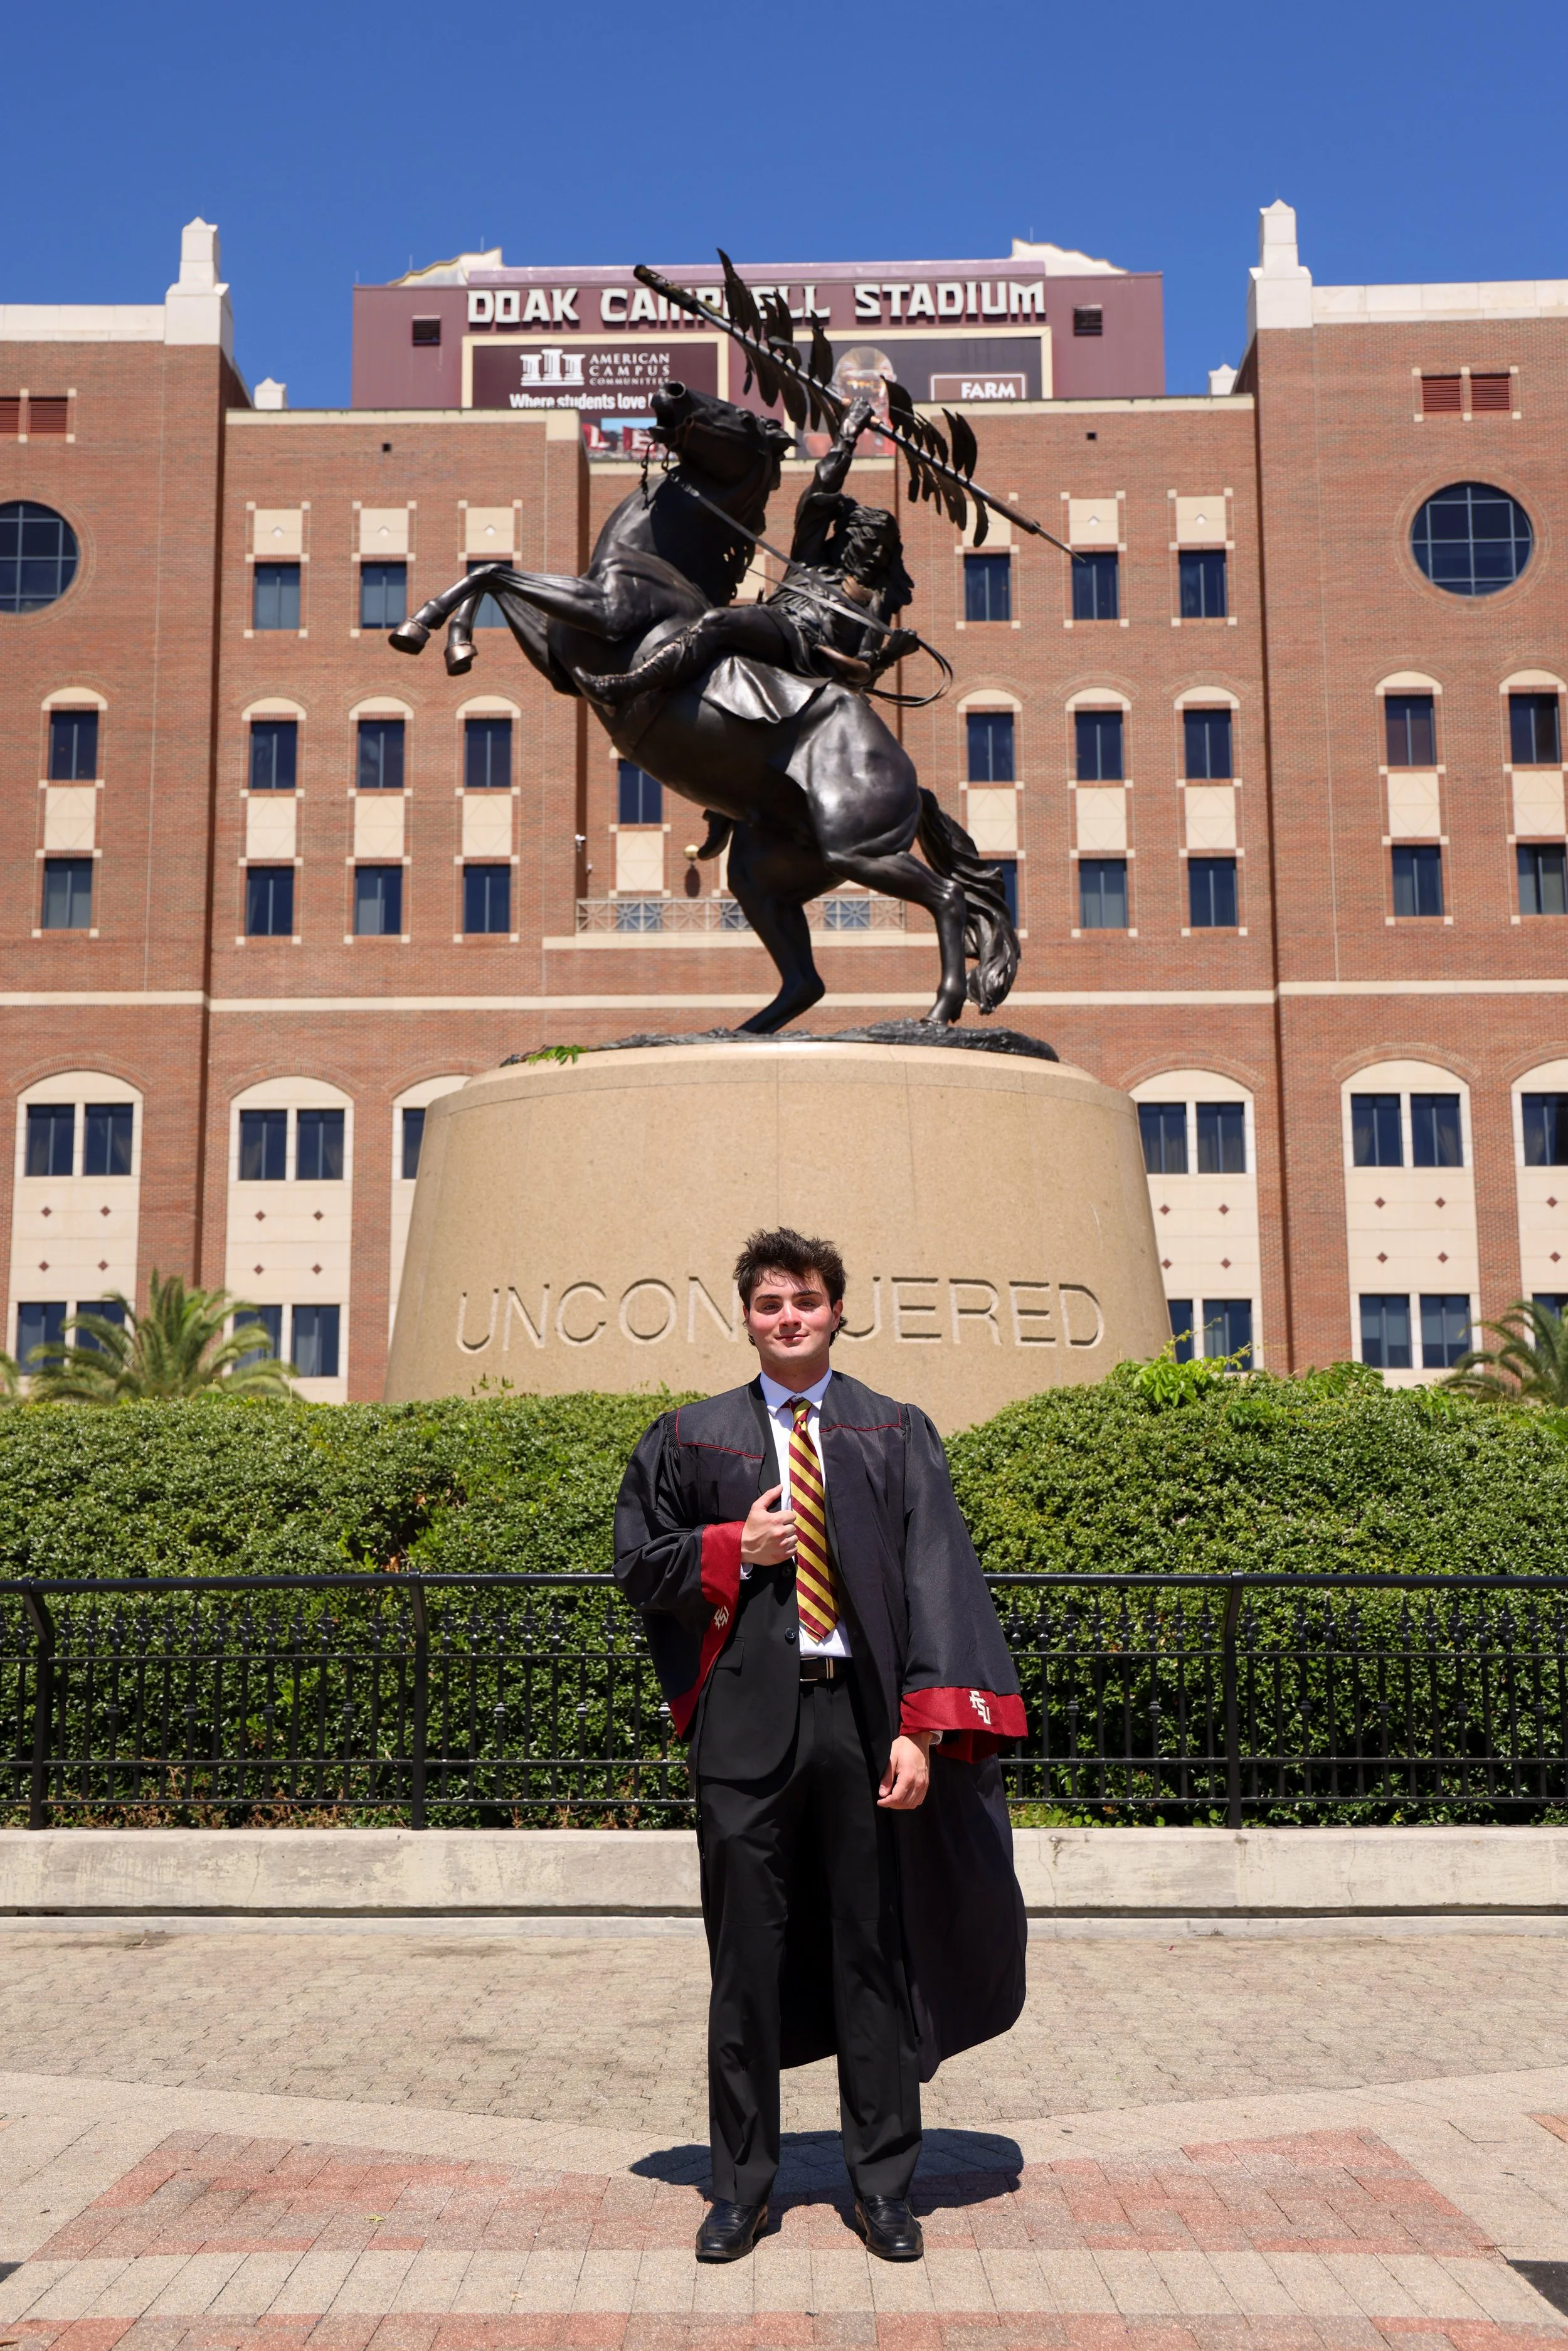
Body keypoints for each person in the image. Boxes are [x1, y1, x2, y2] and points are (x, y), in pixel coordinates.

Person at [612, 1228, 1027, 2266]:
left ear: (839, 1310)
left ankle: (885, 2185)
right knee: (742, 1962)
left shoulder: (893, 1430)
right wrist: (727, 1548)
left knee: (871, 1958)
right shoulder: (688, 1435)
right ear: (746, 1317)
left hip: (862, 1722)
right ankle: (740, 2188)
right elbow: (635, 1562)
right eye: (767, 1302)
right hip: (745, 1731)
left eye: (804, 1299)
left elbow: (938, 1578)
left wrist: (922, 1727)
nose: (786, 1316)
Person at [583, 398, 919, 705]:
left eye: (884, 551)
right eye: (870, 544)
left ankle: (627, 686)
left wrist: (891, 655)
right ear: (846, 538)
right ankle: (635, 683)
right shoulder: (811, 560)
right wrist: (848, 433)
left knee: (716, 622)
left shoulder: (873, 603)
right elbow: (823, 488)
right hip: (778, 629)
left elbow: (862, 671)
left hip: (805, 658)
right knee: (713, 622)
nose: (877, 555)